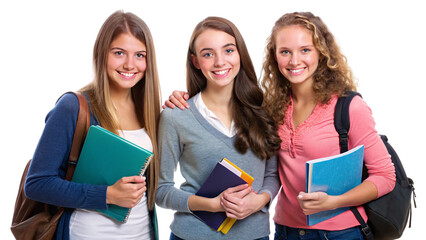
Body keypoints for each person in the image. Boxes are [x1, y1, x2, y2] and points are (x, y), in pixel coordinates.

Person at [164, 12, 396, 240]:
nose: (295, 61)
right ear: (275, 56)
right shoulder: (273, 108)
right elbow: (273, 171)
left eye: (305, 49)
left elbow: (385, 176)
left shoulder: (346, 107)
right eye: (285, 52)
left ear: (322, 53)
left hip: (338, 232)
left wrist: (332, 201)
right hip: (285, 230)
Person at [24, 10, 161, 240]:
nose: (130, 64)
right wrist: (108, 195)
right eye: (119, 53)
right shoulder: (73, 107)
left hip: (142, 234)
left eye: (139, 55)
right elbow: (37, 184)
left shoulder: (149, 111)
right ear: (101, 53)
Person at [155, 16, 281, 240]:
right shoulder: (175, 116)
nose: (220, 62)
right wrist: (212, 205)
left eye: (228, 50)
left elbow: (272, 174)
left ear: (240, 53)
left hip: (255, 235)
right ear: (196, 61)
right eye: (207, 54)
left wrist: (260, 201)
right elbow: (161, 190)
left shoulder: (264, 111)